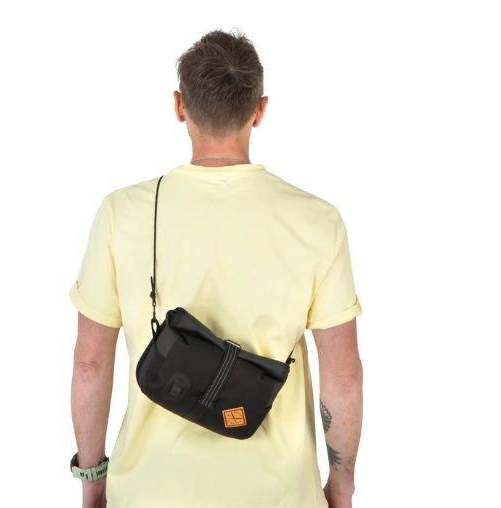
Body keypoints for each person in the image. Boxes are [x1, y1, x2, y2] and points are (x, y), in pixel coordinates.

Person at [69, 29, 363, 508]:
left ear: (179, 105)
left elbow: (90, 364)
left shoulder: (121, 213)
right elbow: (344, 376)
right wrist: (342, 486)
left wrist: (92, 478)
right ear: (259, 110)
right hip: (278, 495)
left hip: (149, 493)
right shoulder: (318, 221)